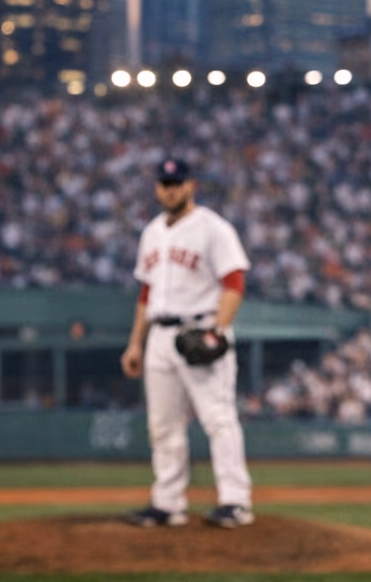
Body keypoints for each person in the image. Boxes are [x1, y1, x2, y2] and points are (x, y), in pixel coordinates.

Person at [120, 157, 255, 528]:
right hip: (160, 337)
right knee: (162, 425)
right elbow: (146, 294)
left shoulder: (214, 228)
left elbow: (234, 284)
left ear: (191, 185)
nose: (170, 190)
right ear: (157, 188)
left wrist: (217, 331)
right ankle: (168, 503)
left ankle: (236, 501)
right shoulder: (151, 232)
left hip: (200, 329)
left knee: (219, 419)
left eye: (176, 183)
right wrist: (135, 344)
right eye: (165, 183)